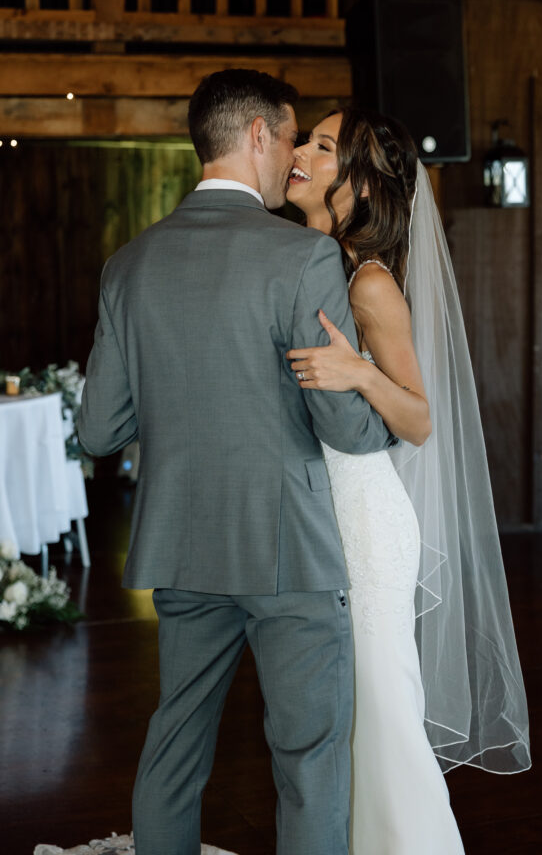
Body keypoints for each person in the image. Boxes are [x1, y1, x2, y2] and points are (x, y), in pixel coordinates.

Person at [77, 70, 397, 855]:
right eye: (290, 138)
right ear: (257, 134)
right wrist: (392, 415)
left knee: (174, 748)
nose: (292, 157)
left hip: (182, 553)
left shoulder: (129, 264)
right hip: (289, 551)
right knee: (309, 761)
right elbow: (347, 429)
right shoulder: (301, 259)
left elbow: (97, 431)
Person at [286, 108, 531, 854]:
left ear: (359, 186)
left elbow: (420, 419)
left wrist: (358, 371)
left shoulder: (367, 283)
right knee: (354, 726)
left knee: (385, 725)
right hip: (328, 519)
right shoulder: (314, 263)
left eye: (320, 146)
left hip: (367, 530)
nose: (298, 151)